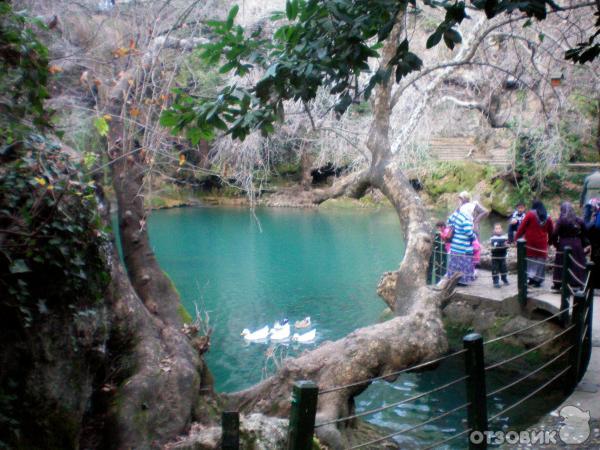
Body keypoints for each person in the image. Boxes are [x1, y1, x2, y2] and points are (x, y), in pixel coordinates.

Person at [515, 200, 554, 287]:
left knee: (530, 261)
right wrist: (551, 242)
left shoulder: (530, 214)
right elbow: (551, 231)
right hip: (542, 244)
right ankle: (538, 280)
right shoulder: (548, 217)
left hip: (530, 243)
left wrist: (516, 238)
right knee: (540, 261)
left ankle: (530, 278)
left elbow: (522, 227)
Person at [551, 202, 588, 291]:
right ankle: (577, 283)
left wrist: (556, 244)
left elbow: (555, 233)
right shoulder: (579, 220)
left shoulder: (561, 220)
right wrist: (582, 245)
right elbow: (584, 234)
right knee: (577, 263)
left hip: (564, 244)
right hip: (577, 244)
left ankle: (559, 283)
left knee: (561, 264)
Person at [446, 196, 476, 286]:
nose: (473, 212)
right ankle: (462, 281)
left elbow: (449, 221)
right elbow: (468, 232)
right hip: (463, 246)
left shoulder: (456, 215)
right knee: (463, 263)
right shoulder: (466, 219)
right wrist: (474, 236)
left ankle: (452, 278)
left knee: (454, 263)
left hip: (455, 245)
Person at [583, 198, 600, 290]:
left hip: (597, 245)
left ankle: (596, 283)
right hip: (596, 244)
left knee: (596, 264)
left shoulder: (597, 217)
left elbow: (587, 228)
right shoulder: (596, 215)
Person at [490, 223, 509, 288]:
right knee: (495, 269)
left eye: (499, 228)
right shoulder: (493, 238)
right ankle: (496, 282)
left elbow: (506, 245)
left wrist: (505, 245)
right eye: (496, 228)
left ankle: (504, 279)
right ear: (494, 230)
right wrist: (502, 245)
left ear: (501, 229)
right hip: (495, 257)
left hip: (503, 256)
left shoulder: (504, 237)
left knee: (504, 269)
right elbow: (494, 248)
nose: (498, 230)